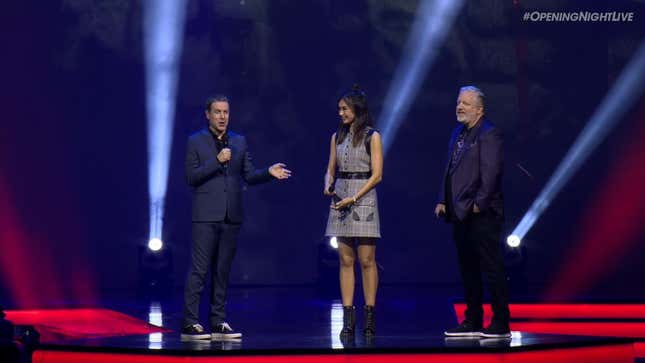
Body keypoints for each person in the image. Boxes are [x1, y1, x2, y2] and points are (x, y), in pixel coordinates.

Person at [181, 95, 291, 341]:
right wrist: (216, 161)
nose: (222, 117)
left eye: (226, 112)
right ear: (207, 114)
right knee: (199, 271)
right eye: (217, 112)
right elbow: (191, 177)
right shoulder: (195, 142)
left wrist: (269, 173)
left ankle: (218, 322)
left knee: (222, 270)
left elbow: (249, 175)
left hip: (231, 216)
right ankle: (189, 323)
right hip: (205, 215)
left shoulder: (239, 142)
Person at [435, 86, 511, 338]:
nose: (460, 106)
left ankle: (501, 323)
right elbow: (450, 169)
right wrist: (443, 200)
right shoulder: (458, 132)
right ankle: (473, 320)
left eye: (466, 103)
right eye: (459, 102)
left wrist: (479, 203)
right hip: (459, 211)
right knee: (468, 267)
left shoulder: (489, 134)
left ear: (480, 109)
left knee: (491, 267)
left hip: (482, 213)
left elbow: (490, 174)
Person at [324, 85, 383, 339]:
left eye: (344, 108)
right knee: (345, 260)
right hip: (341, 197)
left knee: (366, 261)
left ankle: (369, 317)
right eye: (339, 108)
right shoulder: (336, 137)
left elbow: (378, 174)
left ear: (356, 109)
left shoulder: (373, 136)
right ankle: (348, 318)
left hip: (363, 197)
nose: (341, 113)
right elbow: (330, 168)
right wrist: (327, 183)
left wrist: (355, 197)